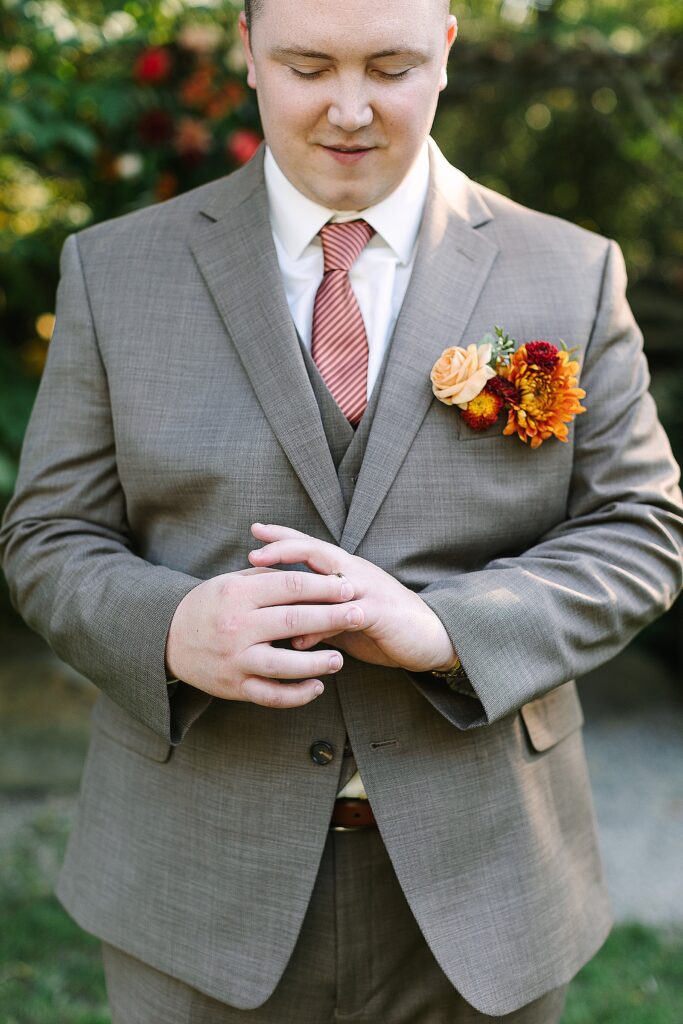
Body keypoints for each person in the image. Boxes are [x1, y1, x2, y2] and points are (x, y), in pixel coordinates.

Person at [1, 0, 682, 1020]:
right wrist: (172, 628)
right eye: (308, 66)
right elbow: (47, 537)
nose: (350, 109)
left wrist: (445, 628)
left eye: (390, 66)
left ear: (444, 54)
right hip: (191, 879)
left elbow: (640, 530)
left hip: (485, 882)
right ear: (247, 54)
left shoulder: (570, 270)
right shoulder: (115, 271)